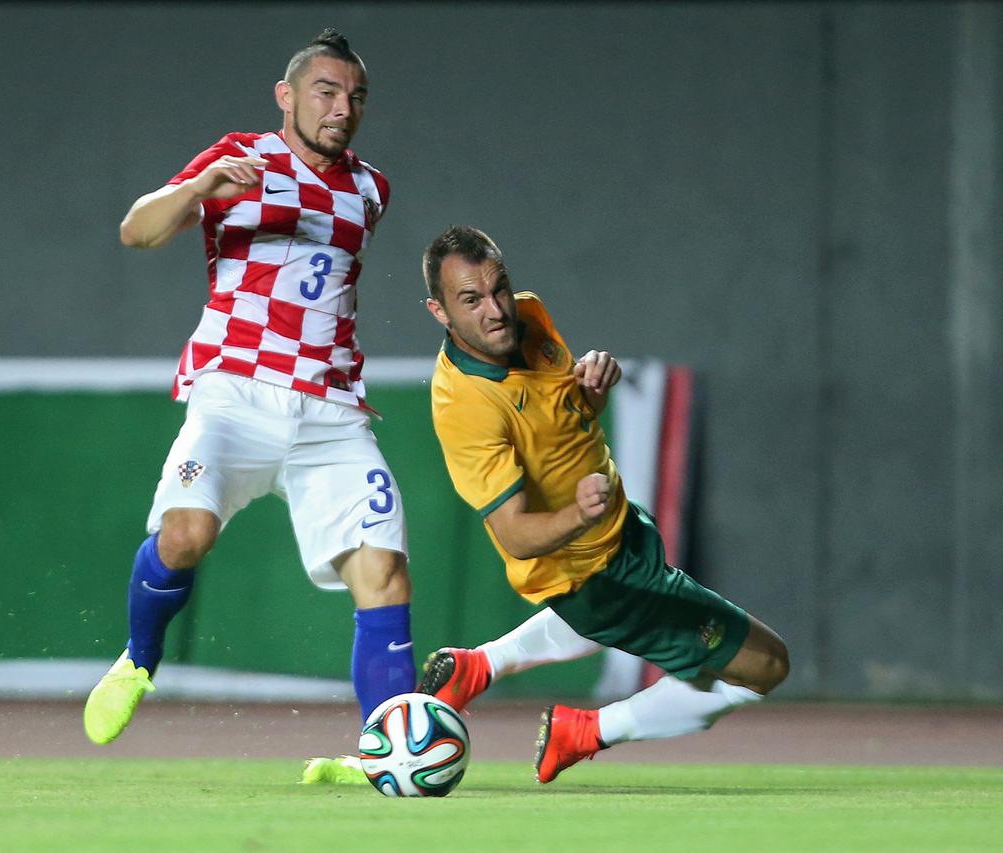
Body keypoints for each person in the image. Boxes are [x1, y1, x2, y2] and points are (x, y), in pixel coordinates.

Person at [82, 30, 415, 766]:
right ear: (286, 96)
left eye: (355, 96)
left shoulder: (372, 188)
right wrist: (201, 189)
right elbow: (137, 231)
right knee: (183, 538)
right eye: (326, 92)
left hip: (330, 412)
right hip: (235, 395)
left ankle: (387, 749)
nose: (342, 108)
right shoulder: (242, 157)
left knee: (383, 569)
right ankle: (139, 659)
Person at [415, 225, 790, 784]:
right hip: (597, 576)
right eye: (470, 300)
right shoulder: (465, 405)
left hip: (620, 538)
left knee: (663, 646)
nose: (496, 310)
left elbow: (566, 420)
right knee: (764, 666)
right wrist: (579, 515)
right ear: (439, 312)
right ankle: (587, 730)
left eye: (499, 288)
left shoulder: (529, 314)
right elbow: (514, 535)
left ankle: (480, 665)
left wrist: (591, 392)